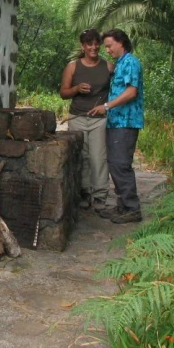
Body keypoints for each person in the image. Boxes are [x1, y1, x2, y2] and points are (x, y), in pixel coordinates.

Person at [88, 29, 144, 224]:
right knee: (114, 163)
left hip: (126, 121)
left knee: (120, 164)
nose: (108, 50)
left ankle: (132, 208)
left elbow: (131, 92)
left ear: (121, 42)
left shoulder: (130, 62)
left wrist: (106, 106)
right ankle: (122, 206)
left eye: (110, 46)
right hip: (116, 121)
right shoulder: (120, 64)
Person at [60, 28, 114, 212]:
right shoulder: (73, 66)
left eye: (96, 43)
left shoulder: (107, 66)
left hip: (100, 119)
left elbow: (118, 90)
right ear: (82, 46)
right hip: (78, 117)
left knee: (99, 157)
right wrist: (76, 89)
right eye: (89, 44)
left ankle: (100, 196)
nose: (93, 47)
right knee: (81, 157)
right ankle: (83, 193)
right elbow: (63, 93)